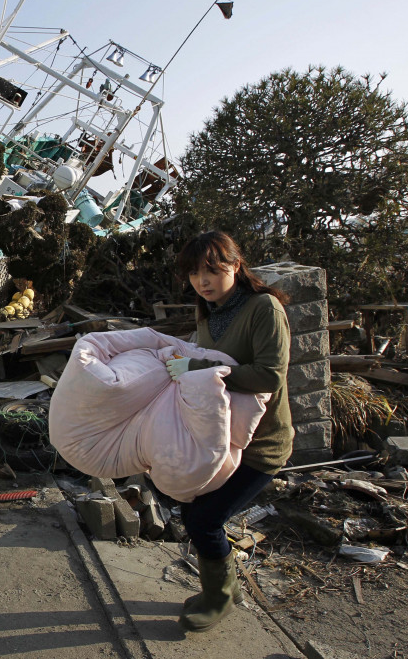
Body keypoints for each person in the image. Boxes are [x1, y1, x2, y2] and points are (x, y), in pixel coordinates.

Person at [165, 230, 293, 633]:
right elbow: (206, 358)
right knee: (190, 506)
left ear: (236, 265)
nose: (202, 281)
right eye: (194, 274)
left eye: (212, 270)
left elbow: (269, 374)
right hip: (220, 439)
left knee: (205, 520)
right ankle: (226, 586)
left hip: (261, 446)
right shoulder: (210, 311)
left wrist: (198, 370)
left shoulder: (263, 309)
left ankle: (218, 598)